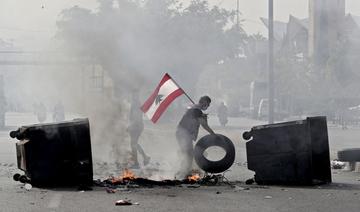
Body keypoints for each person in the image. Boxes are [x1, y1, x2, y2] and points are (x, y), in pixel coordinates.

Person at [176, 96, 215, 178]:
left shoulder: (195, 109)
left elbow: (201, 121)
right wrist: (213, 134)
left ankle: (184, 171)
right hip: (184, 133)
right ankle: (185, 173)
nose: (208, 106)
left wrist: (202, 116)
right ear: (204, 102)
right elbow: (204, 125)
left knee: (190, 153)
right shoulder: (196, 110)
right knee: (189, 154)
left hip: (183, 133)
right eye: (208, 104)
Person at [127, 91, 150, 169]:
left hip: (137, 126)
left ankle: (136, 162)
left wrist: (130, 126)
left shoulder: (136, 104)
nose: (133, 96)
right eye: (133, 95)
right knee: (134, 143)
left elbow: (136, 117)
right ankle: (145, 157)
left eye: (134, 95)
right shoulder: (136, 103)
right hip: (137, 126)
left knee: (133, 144)